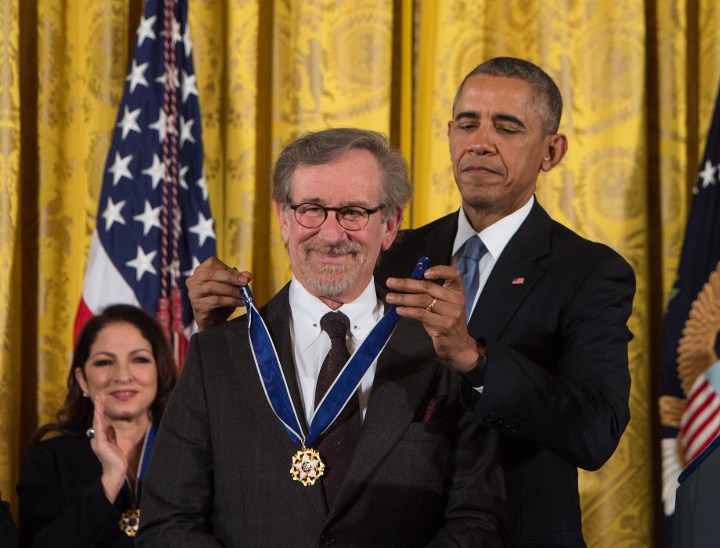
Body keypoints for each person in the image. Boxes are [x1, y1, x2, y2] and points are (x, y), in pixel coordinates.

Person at [186, 57, 636, 547]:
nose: (480, 141)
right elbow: (294, 349)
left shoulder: (590, 273)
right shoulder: (389, 248)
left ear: (552, 151)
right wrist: (216, 324)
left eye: (507, 127)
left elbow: (595, 431)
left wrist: (475, 360)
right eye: (467, 123)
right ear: (448, 135)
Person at [136, 128, 509, 547]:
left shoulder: (443, 350)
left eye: (353, 212)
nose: (331, 235)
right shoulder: (217, 354)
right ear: (283, 219)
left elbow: (479, 522)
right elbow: (166, 525)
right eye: (311, 209)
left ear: (390, 225)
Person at [17, 305, 178, 547]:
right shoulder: (47, 459)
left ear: (159, 370)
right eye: (104, 362)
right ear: (83, 379)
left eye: (139, 359)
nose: (123, 376)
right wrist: (109, 482)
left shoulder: (192, 451)